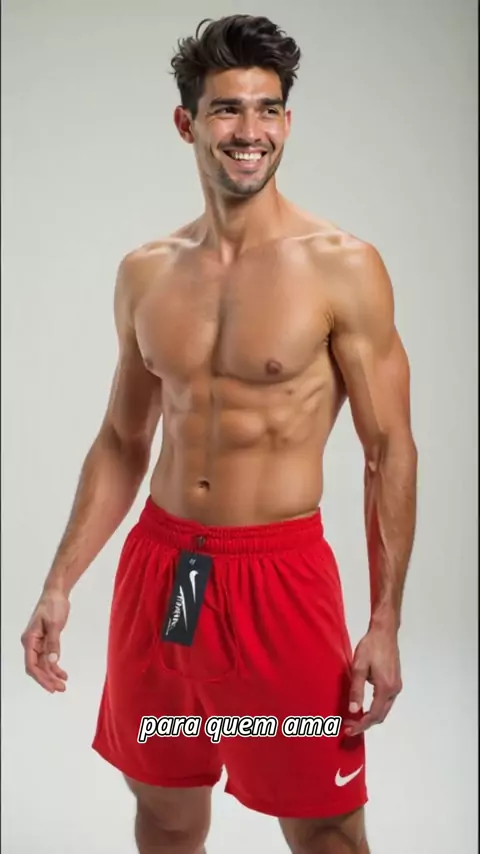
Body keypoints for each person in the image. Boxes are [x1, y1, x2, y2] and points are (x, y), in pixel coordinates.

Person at [21, 14, 418, 854]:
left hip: (279, 581)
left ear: (288, 122)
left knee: (323, 823)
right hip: (172, 577)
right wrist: (59, 582)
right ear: (188, 122)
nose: (250, 131)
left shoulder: (342, 266)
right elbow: (123, 440)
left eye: (268, 109)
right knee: (165, 806)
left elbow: (388, 452)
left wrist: (385, 620)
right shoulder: (146, 271)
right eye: (228, 109)